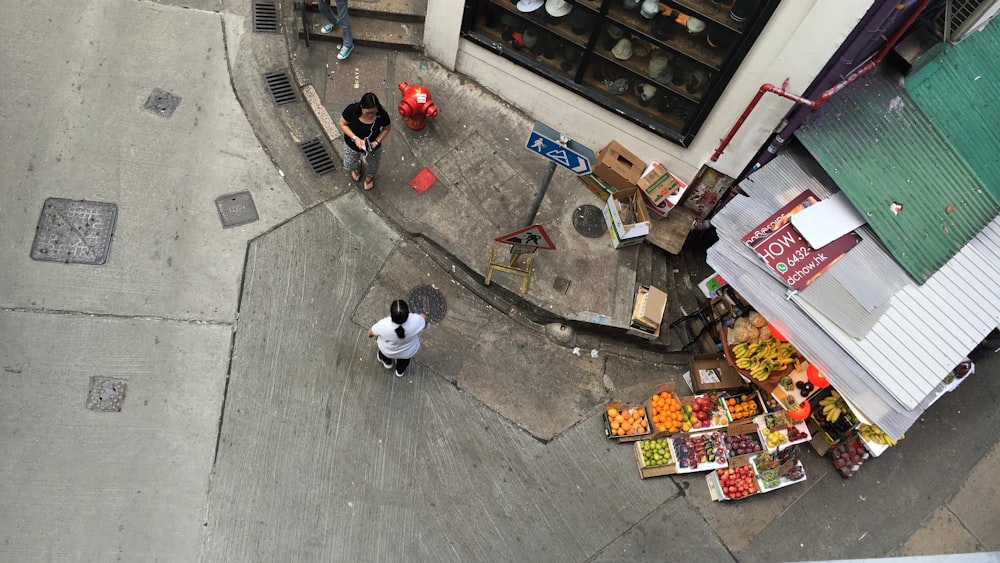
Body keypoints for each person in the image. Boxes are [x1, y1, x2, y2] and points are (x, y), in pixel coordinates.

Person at [339, 92, 392, 191]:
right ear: (361, 108)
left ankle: (369, 178)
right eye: (367, 112)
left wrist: (376, 141)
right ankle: (357, 167)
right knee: (349, 164)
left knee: (374, 165)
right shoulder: (351, 110)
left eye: (373, 112)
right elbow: (342, 124)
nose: (371, 115)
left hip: (372, 147)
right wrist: (355, 138)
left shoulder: (381, 115)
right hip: (352, 144)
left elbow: (387, 129)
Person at [367, 300, 427, 378]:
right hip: (408, 352)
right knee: (404, 362)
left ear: (391, 315)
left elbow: (370, 333)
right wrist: (420, 315)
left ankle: (387, 363)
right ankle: (400, 372)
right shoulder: (416, 321)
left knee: (384, 353)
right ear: (407, 314)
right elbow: (423, 318)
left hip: (388, 350)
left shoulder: (383, 325)